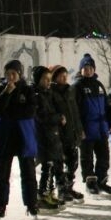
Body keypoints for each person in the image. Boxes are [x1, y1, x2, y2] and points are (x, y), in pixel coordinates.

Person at [0, 59, 39, 217]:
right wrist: (6, 93)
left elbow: (30, 111)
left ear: (19, 74)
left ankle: (31, 203)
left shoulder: (27, 91)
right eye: (8, 74)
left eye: (14, 73)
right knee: (2, 175)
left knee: (28, 174)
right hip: (5, 138)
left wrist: (11, 113)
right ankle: (1, 205)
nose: (11, 77)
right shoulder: (0, 90)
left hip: (23, 137)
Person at [73, 55, 111, 195]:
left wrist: (110, 123)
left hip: (101, 128)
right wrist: (79, 129)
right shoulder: (77, 86)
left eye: (90, 68)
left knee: (104, 156)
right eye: (85, 68)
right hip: (87, 128)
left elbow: (107, 106)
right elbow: (74, 110)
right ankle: (90, 182)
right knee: (87, 157)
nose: (88, 71)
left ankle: (102, 181)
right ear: (81, 70)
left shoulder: (99, 85)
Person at [31, 66, 66, 208]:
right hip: (43, 136)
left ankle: (49, 191)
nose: (48, 82)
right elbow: (42, 116)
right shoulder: (36, 95)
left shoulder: (49, 93)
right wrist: (58, 118)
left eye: (49, 79)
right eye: (45, 79)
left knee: (52, 164)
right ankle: (42, 194)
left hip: (52, 135)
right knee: (47, 165)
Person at [51, 65, 85, 200]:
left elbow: (75, 113)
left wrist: (79, 129)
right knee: (59, 163)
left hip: (71, 132)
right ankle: (61, 189)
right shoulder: (52, 92)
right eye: (61, 76)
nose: (64, 78)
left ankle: (69, 186)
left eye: (65, 75)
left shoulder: (70, 91)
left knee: (73, 161)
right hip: (59, 133)